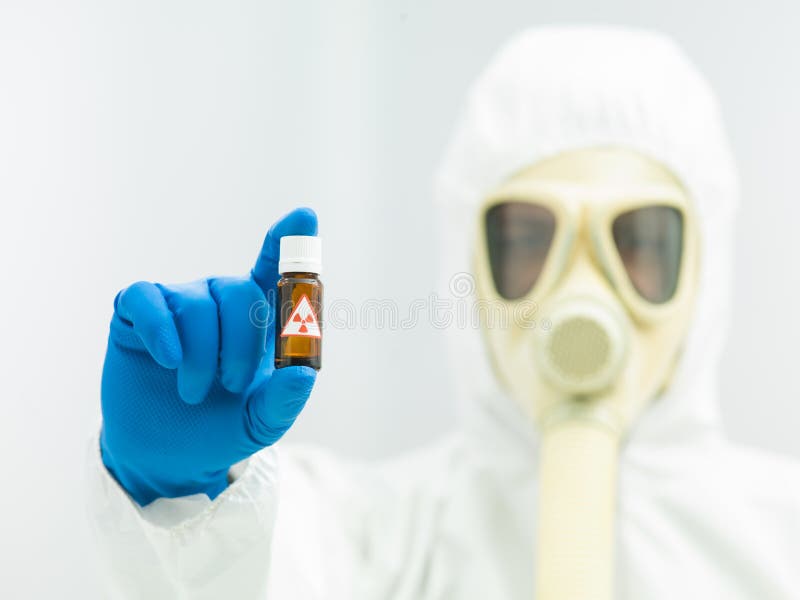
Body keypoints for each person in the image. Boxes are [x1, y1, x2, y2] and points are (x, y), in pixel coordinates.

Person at [88, 26, 800, 599]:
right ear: (471, 267)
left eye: (638, 242)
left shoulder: (782, 535)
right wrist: (184, 502)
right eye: (529, 241)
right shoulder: (367, 534)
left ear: (703, 269)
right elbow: (249, 574)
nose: (583, 292)